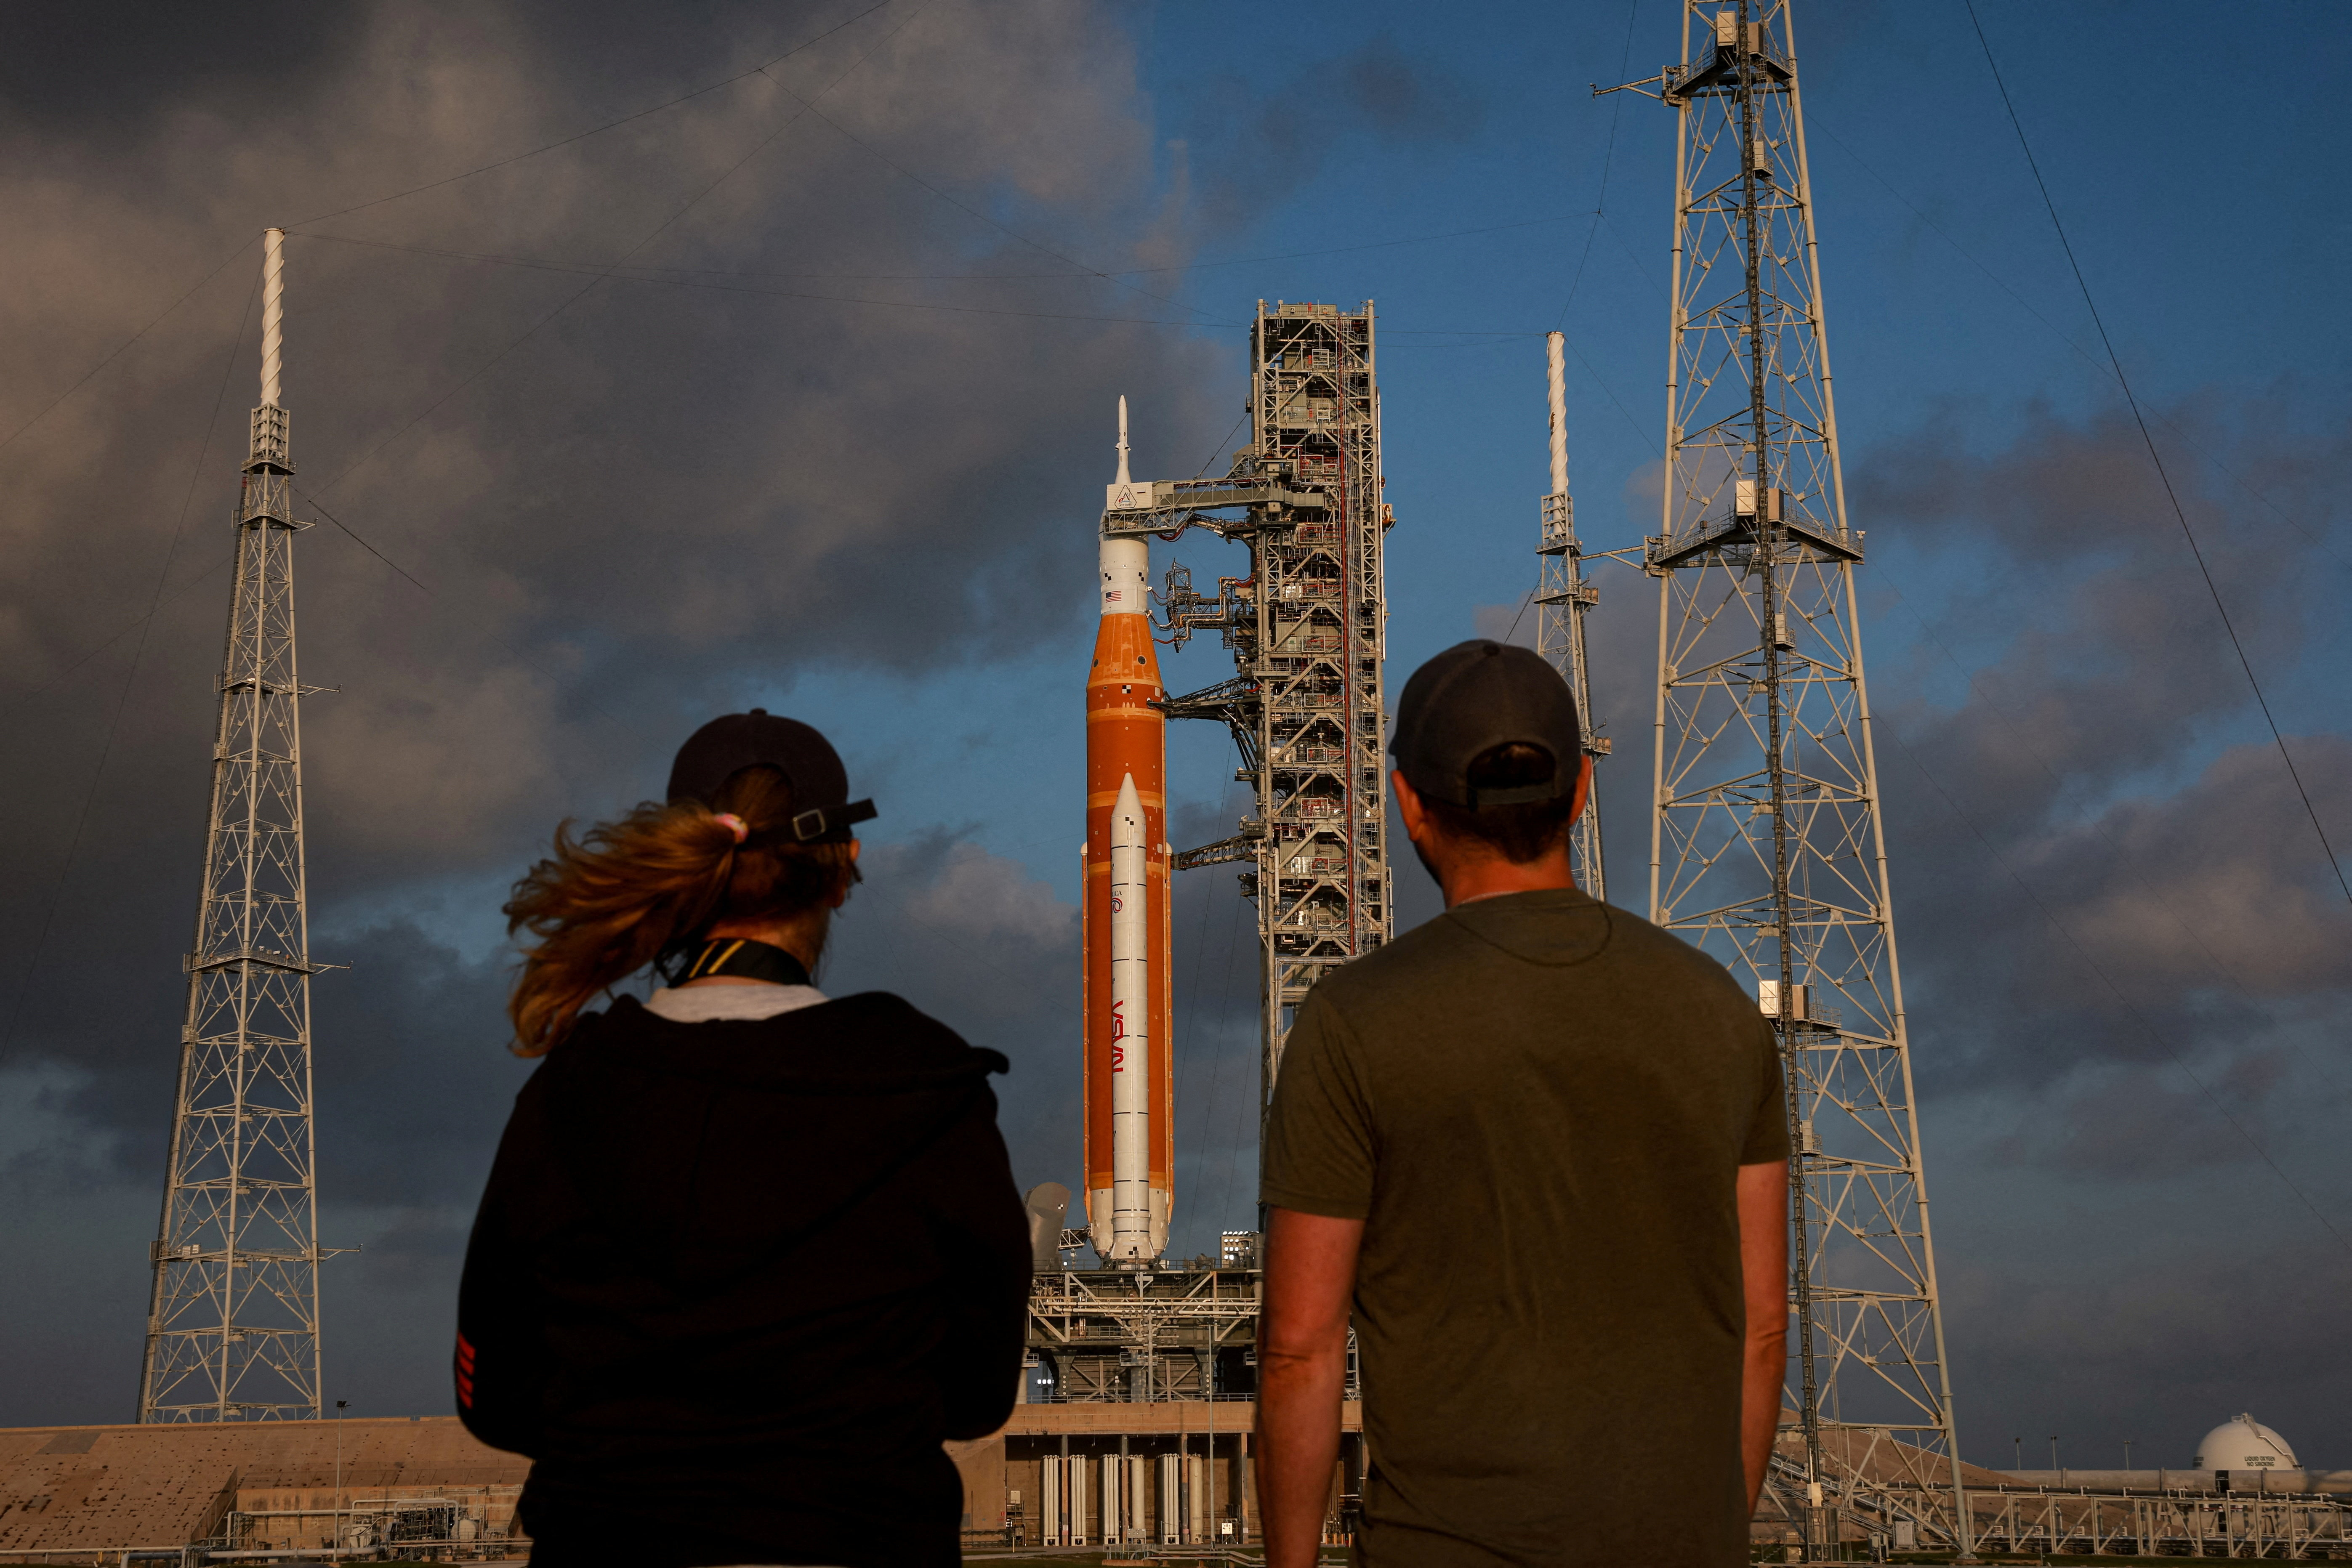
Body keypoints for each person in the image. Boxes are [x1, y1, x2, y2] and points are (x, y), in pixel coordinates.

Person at [1255, 641, 1791, 1566]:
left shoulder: (1353, 1023)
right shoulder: (1720, 1010)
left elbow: (1300, 1350)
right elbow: (1762, 1325)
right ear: (1581, 790)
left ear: (1406, 803)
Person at [454, 709, 1031, 1568]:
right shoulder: (927, 1095)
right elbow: (977, 1396)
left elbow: (495, 1393)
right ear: (844, 871)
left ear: (688, 868)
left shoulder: (569, 1095)